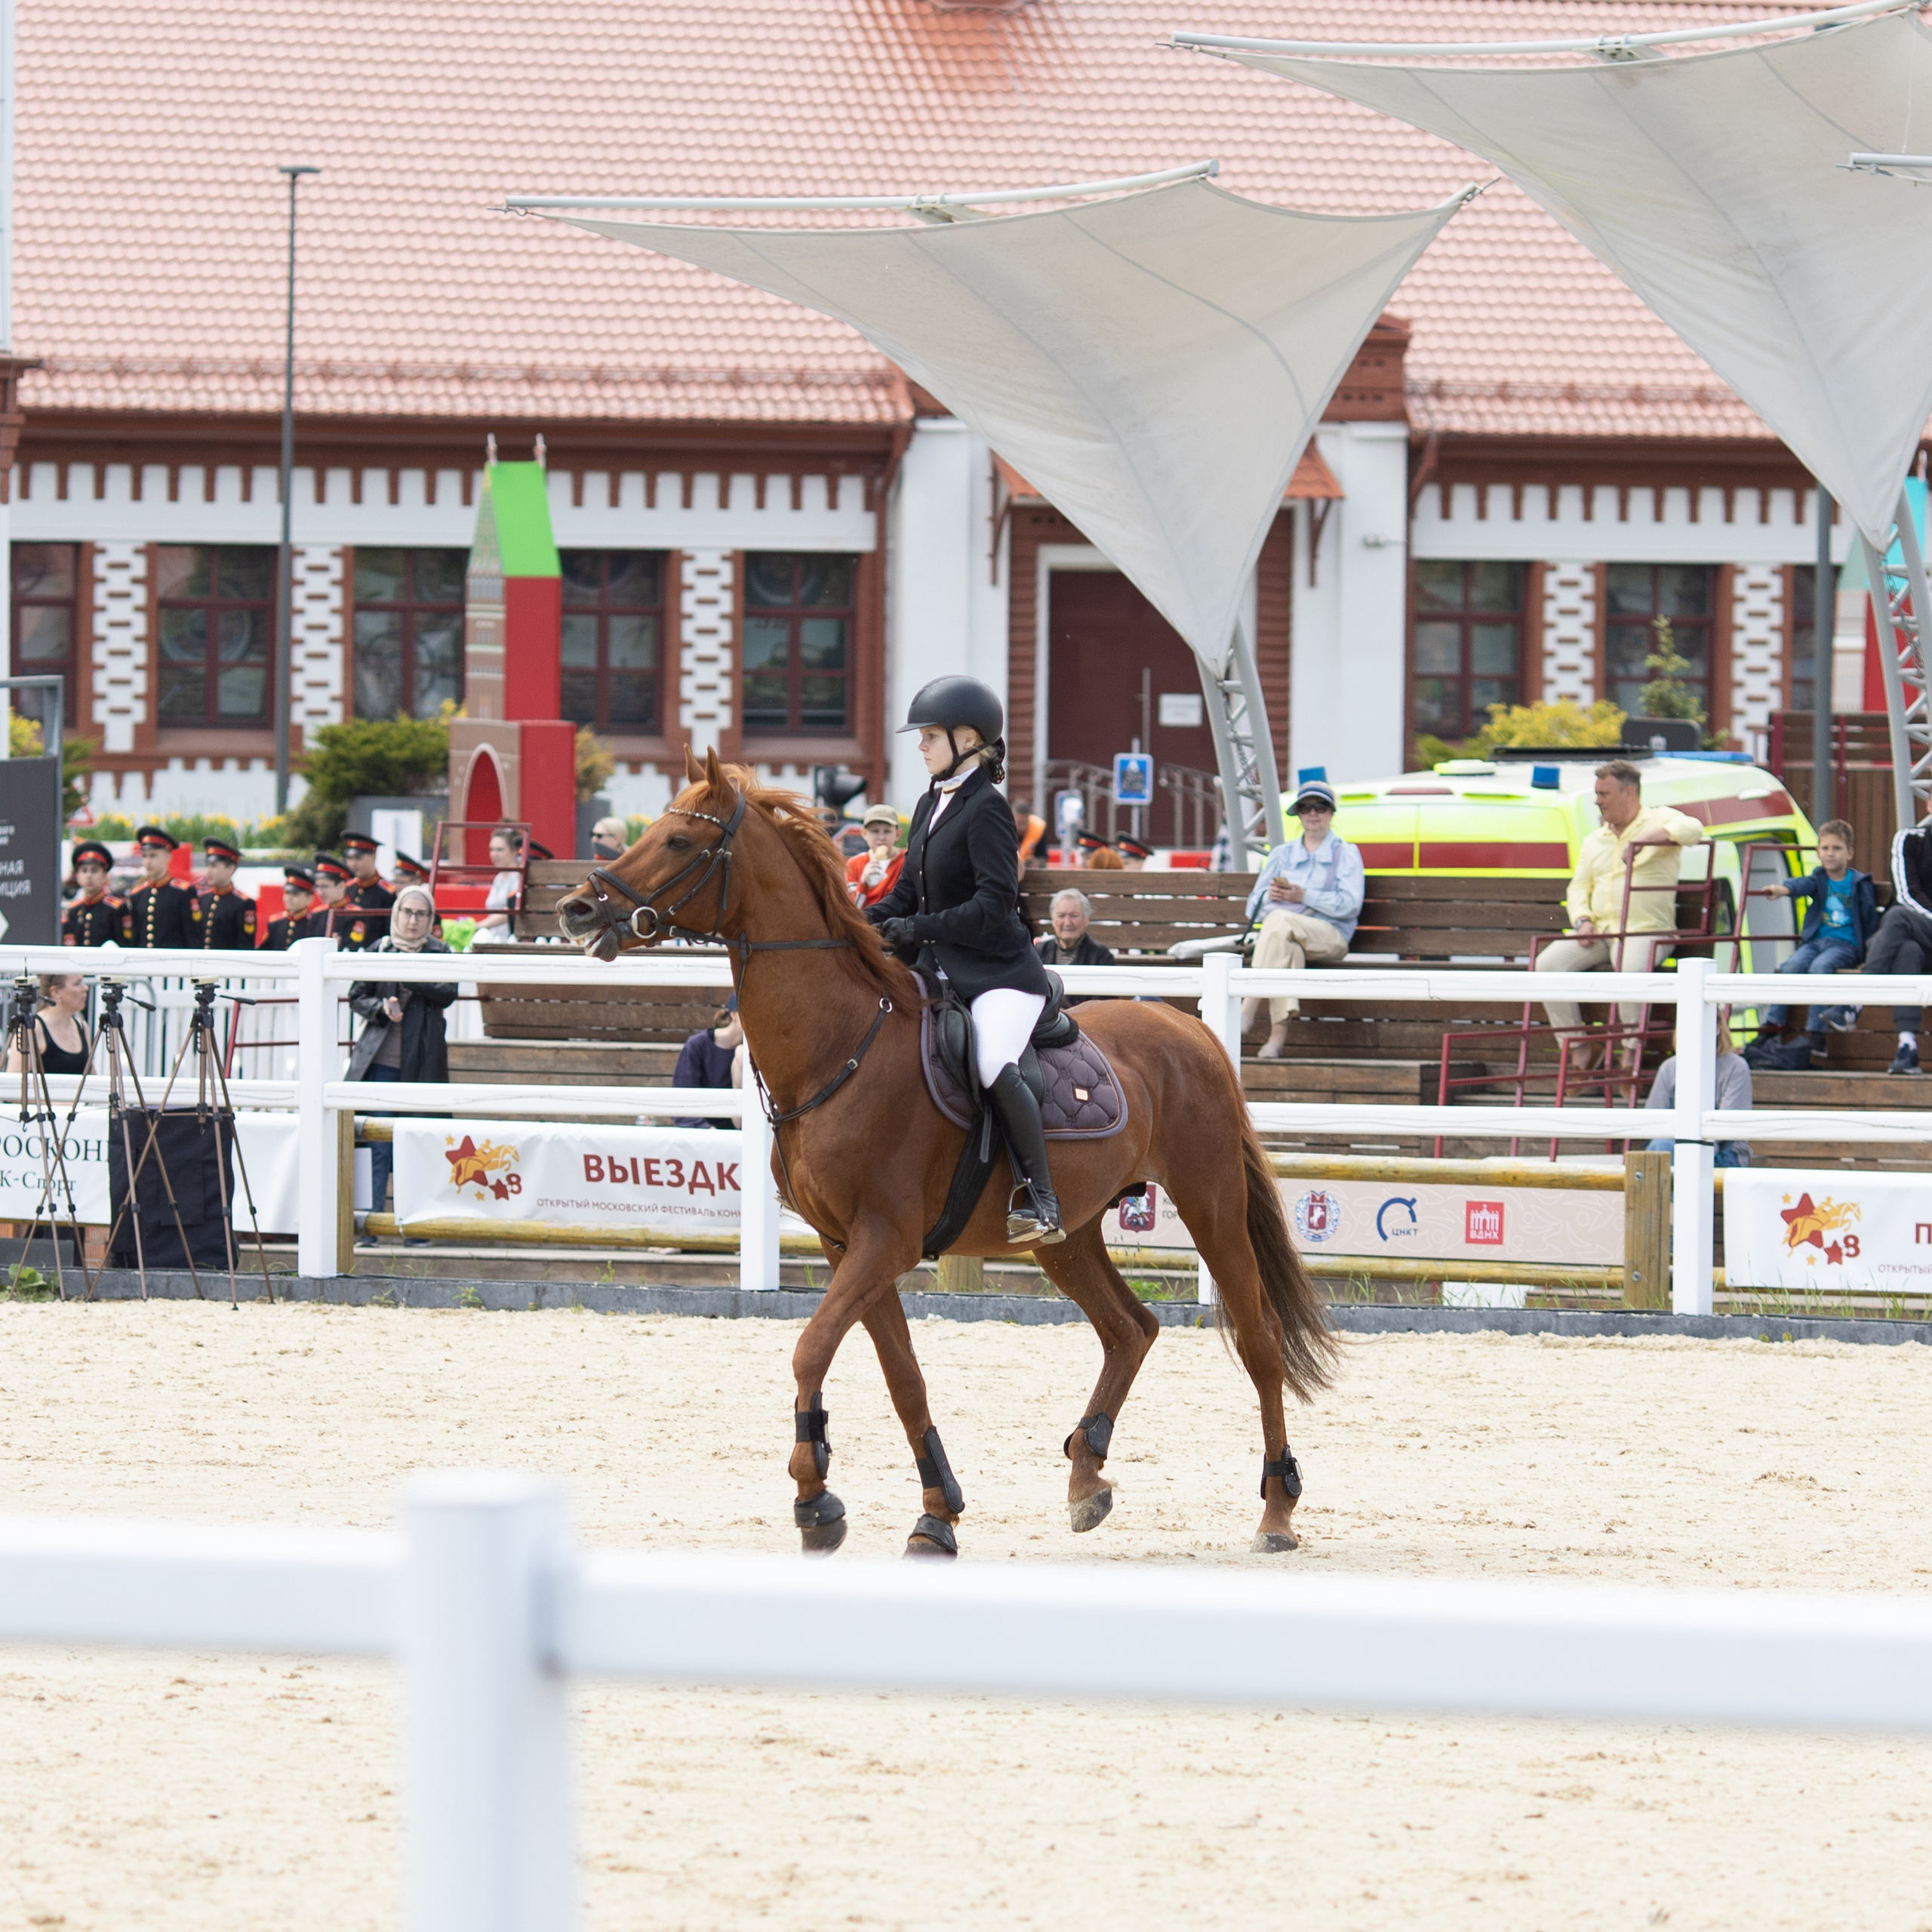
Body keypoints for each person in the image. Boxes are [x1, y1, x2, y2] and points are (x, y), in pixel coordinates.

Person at [866, 673, 1064, 1243]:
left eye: (930, 736)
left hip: (998, 975)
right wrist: (860, 921)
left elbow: (995, 903)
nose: (921, 747)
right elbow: (908, 891)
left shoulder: (988, 809)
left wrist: (917, 927)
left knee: (989, 1062)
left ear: (968, 739)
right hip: (938, 968)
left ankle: (1042, 1198)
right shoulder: (931, 801)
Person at [1541, 759, 1705, 1067]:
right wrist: (1582, 921)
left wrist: (1645, 841)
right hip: (1602, 932)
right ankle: (1578, 1048)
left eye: (1604, 794)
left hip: (1647, 930)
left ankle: (1631, 1053)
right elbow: (1578, 889)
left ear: (1629, 793)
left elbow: (1694, 828)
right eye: (1597, 793)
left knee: (1628, 968)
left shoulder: (1659, 819)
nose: (1597, 801)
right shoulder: (1594, 840)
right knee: (1546, 964)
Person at [347, 885, 458, 1216]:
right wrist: (381, 1008)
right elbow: (357, 994)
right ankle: (372, 1220)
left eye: (420, 914)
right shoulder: (380, 948)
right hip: (381, 1061)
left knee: (417, 1145)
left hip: (423, 1062)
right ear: (396, 914)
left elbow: (448, 992)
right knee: (378, 1142)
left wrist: (412, 975)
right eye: (407, 912)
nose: (412, 921)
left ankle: (414, 1225)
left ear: (431, 918)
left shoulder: (440, 952)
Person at [1238, 779, 1365, 1059]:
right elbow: (1253, 908)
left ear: (1331, 813)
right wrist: (1273, 896)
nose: (1313, 813)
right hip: (1285, 936)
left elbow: (1350, 905)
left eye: (1321, 807)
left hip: (1331, 936)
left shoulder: (1345, 853)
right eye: (1305, 808)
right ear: (1298, 813)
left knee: (1280, 922)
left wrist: (1303, 896)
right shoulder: (1282, 854)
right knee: (1286, 946)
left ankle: (1248, 1006)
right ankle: (1276, 1040)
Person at [1745, 819, 1877, 1070]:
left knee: (1820, 968)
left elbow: (1870, 919)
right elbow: (1800, 885)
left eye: (1836, 848)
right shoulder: (1819, 879)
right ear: (1818, 851)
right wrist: (1781, 889)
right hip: (1816, 942)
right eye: (1825, 848)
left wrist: (1867, 955)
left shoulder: (1859, 884)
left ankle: (1817, 1033)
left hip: (1844, 945)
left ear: (1849, 853)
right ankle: (1772, 1025)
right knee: (1791, 966)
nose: (1829, 854)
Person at [1854, 807, 1932, 1075]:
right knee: (1906, 949)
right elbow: (1907, 894)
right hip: (1914, 939)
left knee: (1899, 917)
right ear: (1929, 805)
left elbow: (1905, 907)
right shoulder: (1909, 839)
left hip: (1905, 926)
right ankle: (1907, 1046)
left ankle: (1856, 1000)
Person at [1645, 1011, 1752, 1167]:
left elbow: (1726, 1129)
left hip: (1725, 1151)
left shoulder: (1736, 1068)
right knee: (1661, 1148)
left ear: (1717, 1028)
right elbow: (1653, 1119)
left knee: (1669, 1152)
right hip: (1676, 1145)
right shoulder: (1670, 1068)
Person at [1033, 888, 1115, 1004]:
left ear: (1086, 920)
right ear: (1053, 920)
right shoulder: (1039, 952)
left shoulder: (1100, 955)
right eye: (1061, 916)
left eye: (1074, 916)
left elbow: (1104, 1003)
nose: (1067, 923)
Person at [119, 826, 196, 949]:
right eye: (144, 856)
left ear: (168, 856)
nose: (148, 862)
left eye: (153, 856)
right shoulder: (138, 894)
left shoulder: (183, 892)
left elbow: (192, 937)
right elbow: (135, 938)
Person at [672, 1003, 745, 1128]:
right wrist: (709, 1132)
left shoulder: (750, 1050)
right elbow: (682, 1103)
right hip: (704, 1135)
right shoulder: (697, 1045)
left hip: (744, 1134)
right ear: (734, 1015)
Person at [6, 972, 92, 1077]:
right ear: (55, 992)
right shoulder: (33, 1028)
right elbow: (14, 1079)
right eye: (77, 984)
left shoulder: (82, 1027)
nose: (85, 988)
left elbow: (92, 1076)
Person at [189, 835, 257, 950]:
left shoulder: (243, 903)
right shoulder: (202, 899)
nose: (209, 871)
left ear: (230, 868)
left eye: (214, 866)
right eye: (208, 866)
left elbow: (245, 945)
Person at [63, 841, 123, 948]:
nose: (89, 876)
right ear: (77, 876)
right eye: (84, 871)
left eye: (94, 871)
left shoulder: (115, 908)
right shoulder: (74, 910)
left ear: (104, 875)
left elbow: (123, 944)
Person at [844, 803, 905, 908]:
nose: (881, 838)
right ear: (864, 834)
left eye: (887, 831)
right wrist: (863, 883)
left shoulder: (907, 860)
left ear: (897, 834)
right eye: (875, 831)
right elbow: (852, 910)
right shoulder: (854, 864)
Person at [342, 832, 394, 947]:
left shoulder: (388, 893)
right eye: (350, 858)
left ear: (374, 855)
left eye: (358, 858)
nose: (353, 864)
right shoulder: (347, 888)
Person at [477, 826, 525, 939]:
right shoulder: (498, 877)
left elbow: (512, 909)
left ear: (514, 851)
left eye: (500, 850)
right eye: (491, 849)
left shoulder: (517, 877)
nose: (494, 854)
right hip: (494, 936)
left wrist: (479, 926)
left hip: (510, 939)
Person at [260, 863, 321, 950]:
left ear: (309, 898)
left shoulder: (314, 923)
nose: (289, 898)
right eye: (287, 893)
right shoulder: (275, 922)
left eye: (295, 894)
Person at [312, 854, 360, 946]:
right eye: (317, 887)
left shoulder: (355, 915)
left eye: (325, 887)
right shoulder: (316, 915)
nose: (320, 892)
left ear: (341, 886)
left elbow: (356, 946)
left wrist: (339, 945)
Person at [1011, 797, 1048, 875]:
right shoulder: (1005, 829)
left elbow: (1043, 857)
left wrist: (1037, 863)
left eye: (1025, 823)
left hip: (1030, 873)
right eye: (1019, 823)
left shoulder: (1038, 829)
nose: (1022, 827)